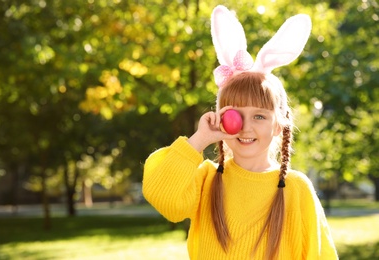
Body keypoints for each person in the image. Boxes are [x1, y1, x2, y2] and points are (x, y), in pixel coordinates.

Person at [143, 5, 338, 260]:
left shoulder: (296, 188)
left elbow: (318, 254)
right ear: (221, 119)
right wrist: (199, 139)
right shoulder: (206, 179)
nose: (246, 126)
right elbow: (162, 195)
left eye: (259, 116)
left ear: (279, 123)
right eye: (235, 114)